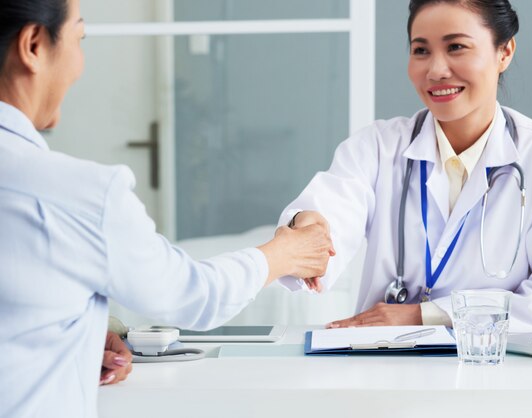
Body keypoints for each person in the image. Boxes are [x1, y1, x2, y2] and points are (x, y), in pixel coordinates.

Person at [0, 0, 334, 416]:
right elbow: (192, 294)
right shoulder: (79, 193)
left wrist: (73, 333)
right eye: (79, 39)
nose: (80, 63)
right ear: (33, 45)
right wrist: (283, 254)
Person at [279, 0, 532, 333]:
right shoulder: (377, 147)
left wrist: (426, 315)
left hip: (497, 369)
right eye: (421, 50)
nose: (435, 70)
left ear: (504, 52)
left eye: (456, 47)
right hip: (383, 366)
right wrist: (309, 227)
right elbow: (330, 214)